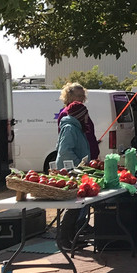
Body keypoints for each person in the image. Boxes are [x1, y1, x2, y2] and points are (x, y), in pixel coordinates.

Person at [54, 100, 92, 248]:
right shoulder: (70, 128)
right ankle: (64, 238)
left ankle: (72, 236)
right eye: (86, 114)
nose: (88, 117)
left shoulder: (76, 128)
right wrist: (79, 165)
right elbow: (64, 152)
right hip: (71, 172)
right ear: (80, 115)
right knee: (73, 204)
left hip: (77, 171)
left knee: (77, 205)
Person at [56, 82, 100, 160]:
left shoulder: (82, 110)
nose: (82, 98)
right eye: (79, 96)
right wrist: (78, 162)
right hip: (80, 159)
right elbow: (66, 142)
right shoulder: (66, 113)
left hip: (90, 156)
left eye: (83, 96)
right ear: (69, 96)